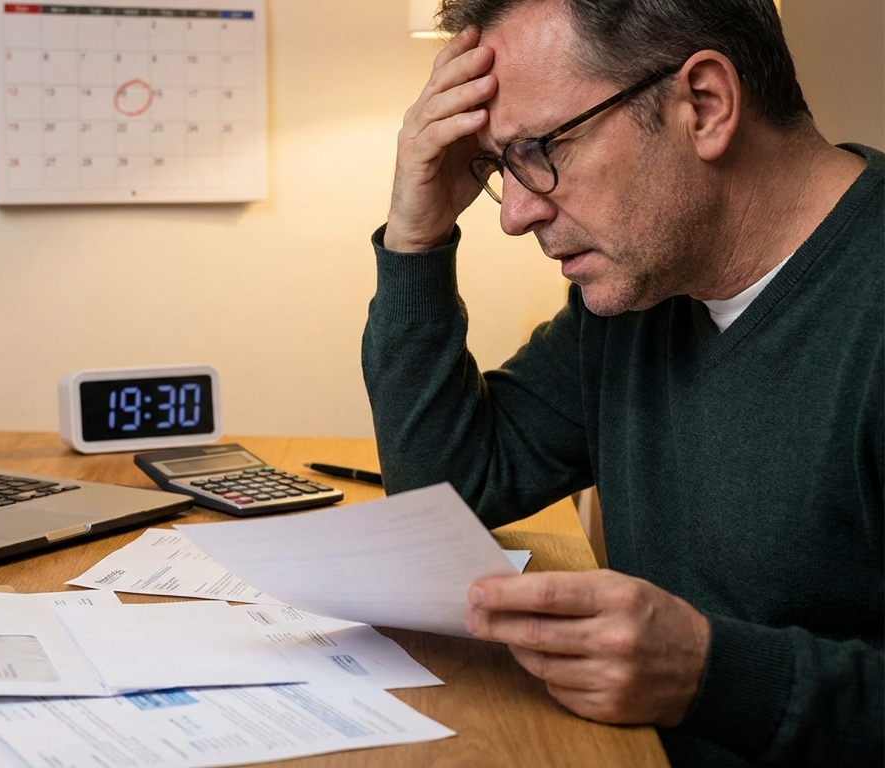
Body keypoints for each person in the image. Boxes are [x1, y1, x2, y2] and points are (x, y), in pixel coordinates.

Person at [361, 0, 882, 765]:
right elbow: (449, 493)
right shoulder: (641, 297)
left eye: (539, 149)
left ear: (704, 104)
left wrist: (709, 675)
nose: (515, 215)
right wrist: (417, 237)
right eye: (501, 167)